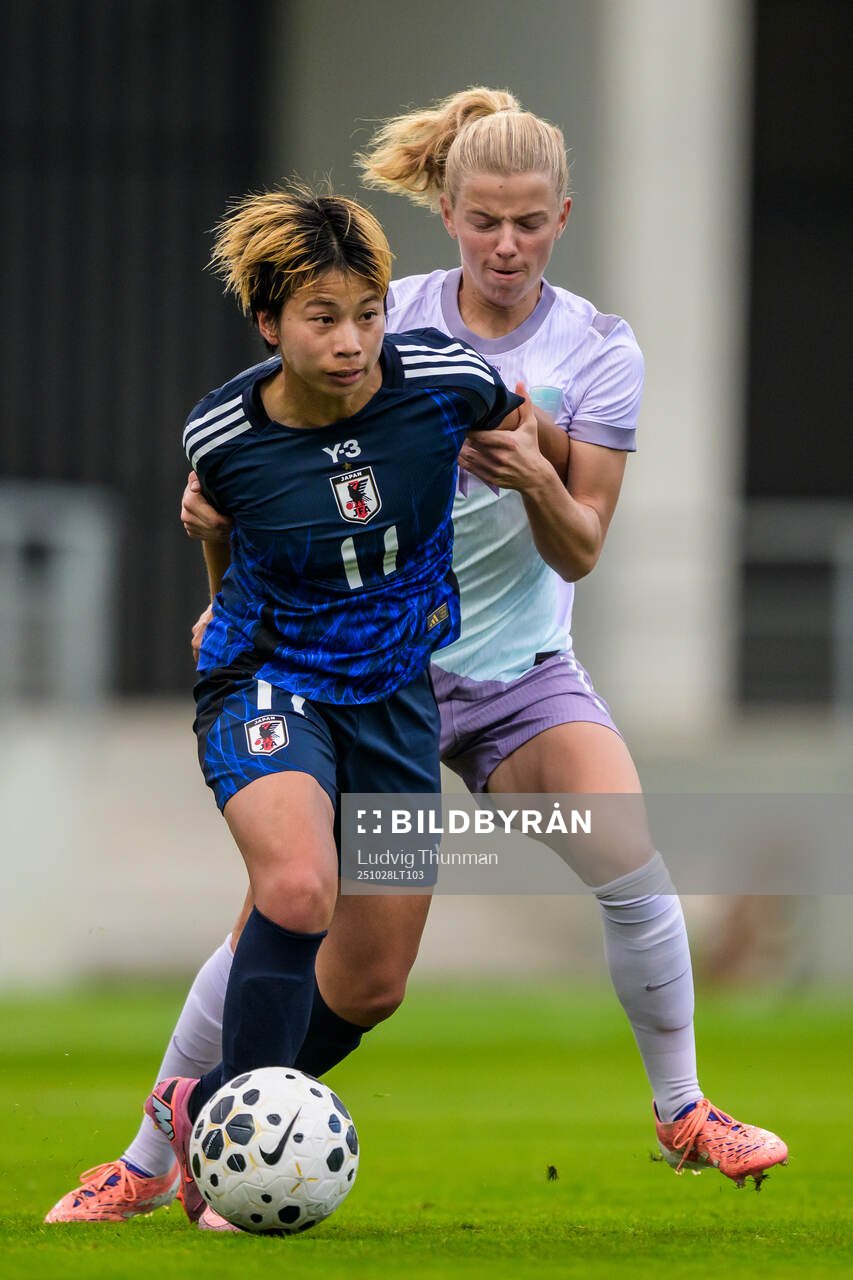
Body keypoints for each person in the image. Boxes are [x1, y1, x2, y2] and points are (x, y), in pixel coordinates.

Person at [47, 88, 787, 1225]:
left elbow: (582, 545)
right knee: (283, 902)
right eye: (484, 218)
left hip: (512, 674)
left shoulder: (588, 350)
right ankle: (153, 1157)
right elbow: (261, 458)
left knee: (606, 867)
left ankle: (683, 1109)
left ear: (561, 217)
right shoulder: (387, 317)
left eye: (529, 221)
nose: (505, 242)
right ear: (446, 209)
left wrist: (535, 467)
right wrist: (220, 571)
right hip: (360, 674)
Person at [45, 180, 526, 1227]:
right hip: (269, 679)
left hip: (399, 700)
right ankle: (231, 1168)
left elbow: (523, 433)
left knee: (373, 982)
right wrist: (214, 591)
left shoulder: (449, 382)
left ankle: (200, 1108)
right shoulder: (222, 430)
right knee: (298, 887)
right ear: (269, 323)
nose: (351, 341)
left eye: (366, 313)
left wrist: (549, 491)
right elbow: (224, 529)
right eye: (322, 318)